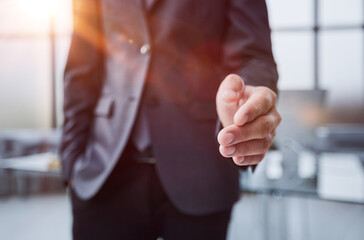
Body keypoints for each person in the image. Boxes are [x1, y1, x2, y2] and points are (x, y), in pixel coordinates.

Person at [60, 0, 281, 239]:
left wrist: (245, 101)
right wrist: (70, 161)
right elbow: (80, 68)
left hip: (202, 169)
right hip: (104, 169)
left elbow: (253, 56)